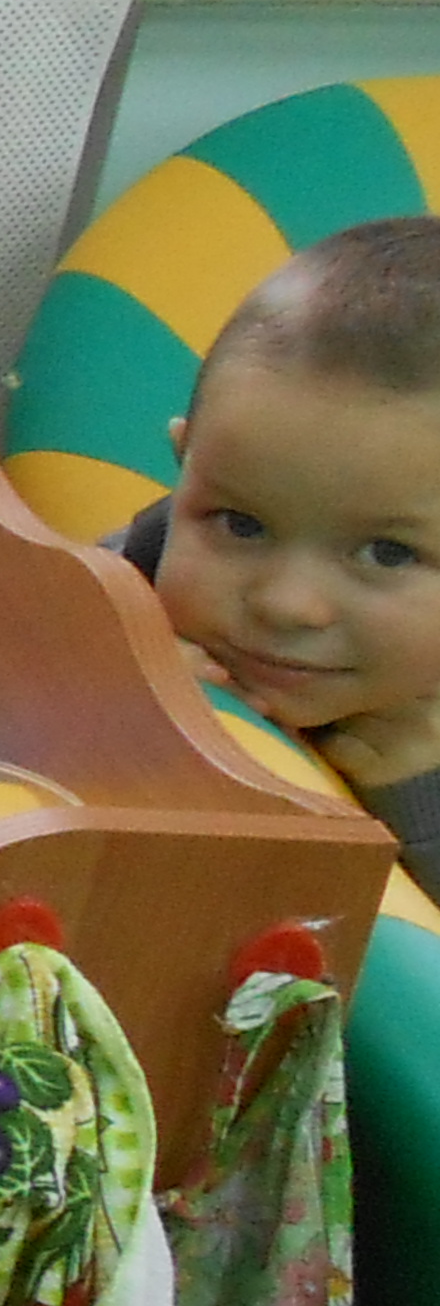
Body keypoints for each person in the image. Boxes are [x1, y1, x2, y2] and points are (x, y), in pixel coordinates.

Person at [111, 213, 440, 888]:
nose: (287, 604)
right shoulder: (134, 568)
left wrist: (419, 802)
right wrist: (99, 679)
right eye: (241, 525)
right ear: (185, 465)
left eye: (387, 553)